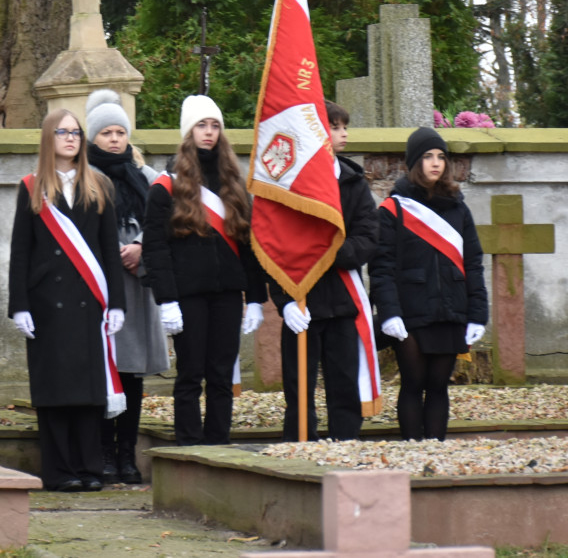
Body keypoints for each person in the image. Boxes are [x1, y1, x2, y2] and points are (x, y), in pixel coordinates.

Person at [9, 109, 126, 492]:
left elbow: (110, 251)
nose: (71, 139)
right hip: (46, 305)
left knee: (88, 392)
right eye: (62, 132)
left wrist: (118, 304)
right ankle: (60, 471)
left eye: (76, 133)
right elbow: (20, 252)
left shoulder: (100, 185)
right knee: (56, 391)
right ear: (49, 138)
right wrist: (19, 305)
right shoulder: (31, 187)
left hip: (89, 302)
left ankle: (89, 469)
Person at [142, 95, 267, 446]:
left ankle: (219, 444)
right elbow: (155, 248)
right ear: (188, 132)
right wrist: (166, 299)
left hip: (227, 293)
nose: (209, 132)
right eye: (202, 125)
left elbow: (248, 244)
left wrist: (256, 298)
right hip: (187, 296)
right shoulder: (166, 187)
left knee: (222, 374)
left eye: (214, 126)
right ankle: (189, 446)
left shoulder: (233, 184)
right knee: (190, 373)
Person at [370, 126, 488, 440]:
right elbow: (381, 268)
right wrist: (390, 312)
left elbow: (473, 264)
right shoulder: (394, 209)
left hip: (451, 311)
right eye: (427, 156)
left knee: (438, 386)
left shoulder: (458, 208)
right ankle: (412, 452)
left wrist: (478, 314)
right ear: (414, 162)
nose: (435, 163)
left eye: (440, 157)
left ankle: (435, 454)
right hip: (411, 313)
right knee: (413, 383)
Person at [272, 100, 379, 441]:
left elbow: (367, 237)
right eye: (335, 127)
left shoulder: (354, 182)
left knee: (344, 384)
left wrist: (328, 252)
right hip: (302, 301)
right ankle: (300, 451)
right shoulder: (289, 184)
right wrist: (284, 302)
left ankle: (344, 447)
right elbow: (275, 248)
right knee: (299, 388)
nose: (343, 133)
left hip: (343, 301)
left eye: (344, 127)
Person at [84, 89, 170, 484]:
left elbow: (164, 226)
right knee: (105, 370)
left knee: (132, 374)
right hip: (100, 287)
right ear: (93, 138)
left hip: (137, 288)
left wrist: (140, 248)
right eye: (106, 133)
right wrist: (112, 250)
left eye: (120, 132)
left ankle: (127, 455)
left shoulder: (148, 178)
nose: (115, 139)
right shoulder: (84, 178)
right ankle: (102, 452)